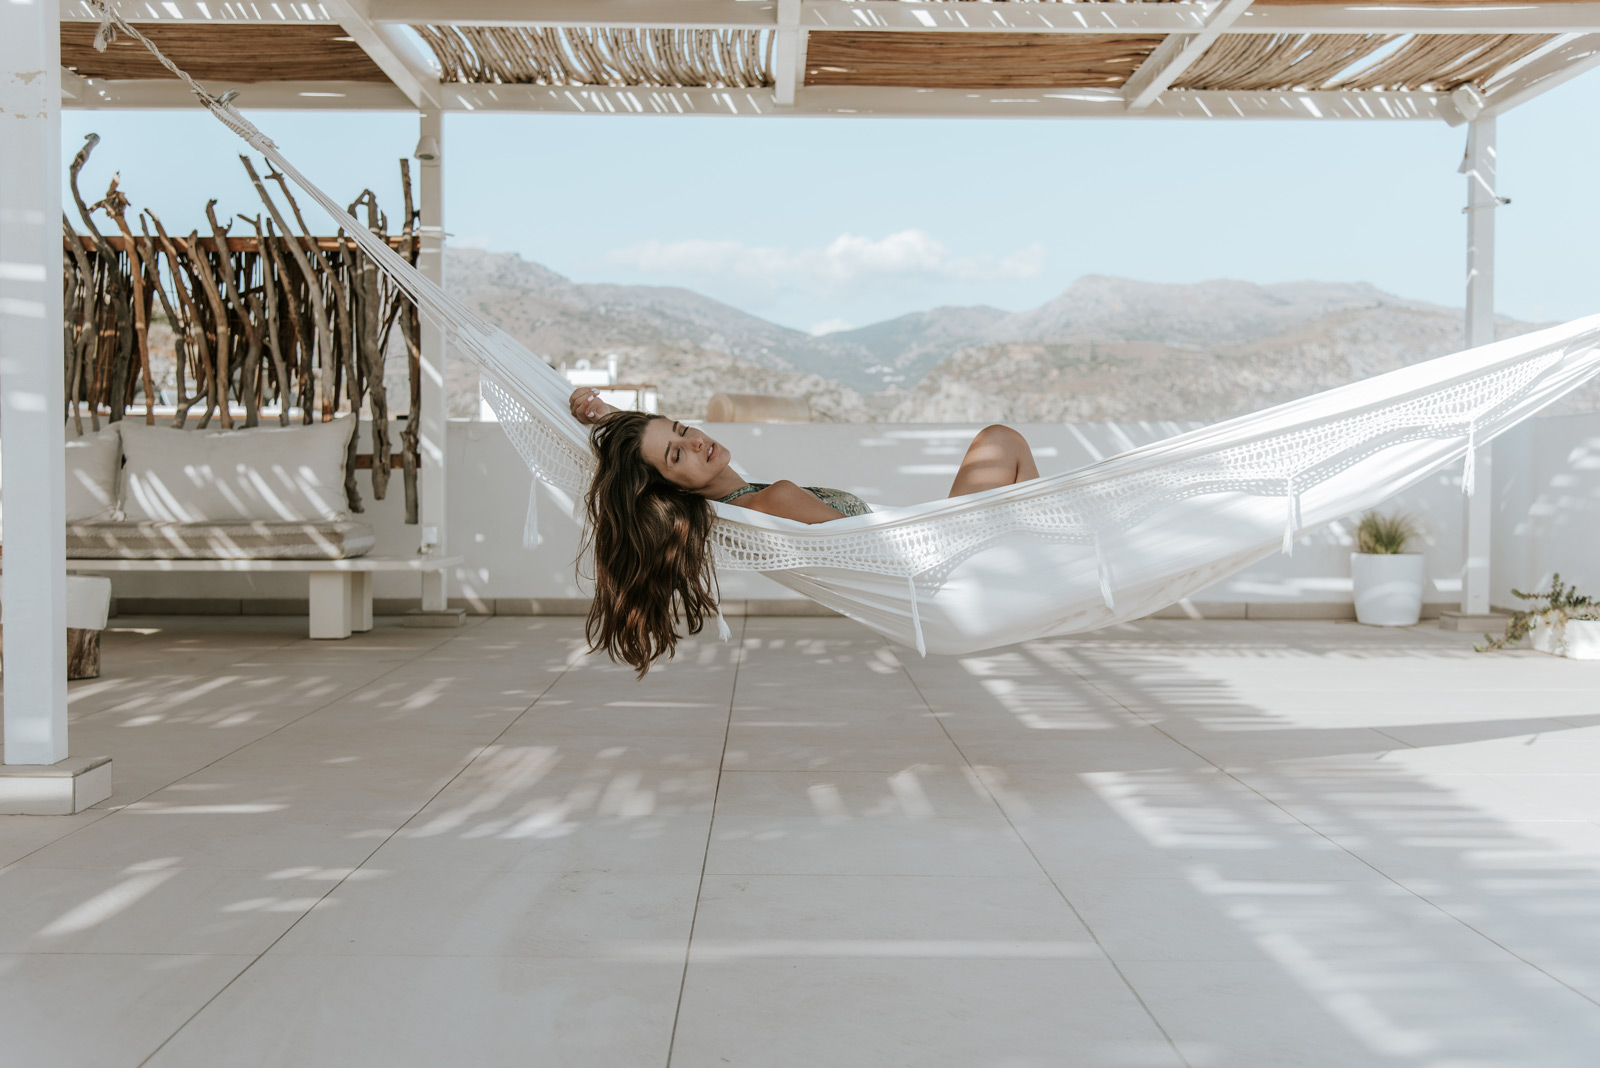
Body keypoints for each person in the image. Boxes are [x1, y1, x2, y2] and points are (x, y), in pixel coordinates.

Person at [569, 386, 1039, 675]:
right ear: (669, 488)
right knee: (998, 440)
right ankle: (1057, 556)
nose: (695, 441)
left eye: (682, 428)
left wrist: (607, 415)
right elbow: (886, 553)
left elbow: (655, 461)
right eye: (678, 455)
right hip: (942, 572)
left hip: (939, 569)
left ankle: (1054, 552)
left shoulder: (740, 502)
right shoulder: (774, 500)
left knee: (1003, 449)